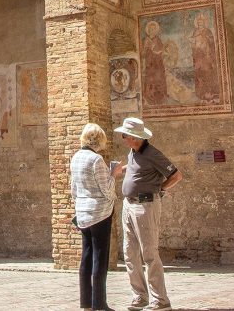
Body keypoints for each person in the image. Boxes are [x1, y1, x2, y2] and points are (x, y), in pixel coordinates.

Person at [115, 117, 182, 311]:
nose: (123, 138)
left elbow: (176, 176)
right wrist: (122, 169)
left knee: (149, 253)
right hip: (129, 206)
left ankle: (161, 300)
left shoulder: (153, 154)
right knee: (130, 253)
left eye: (125, 135)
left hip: (145, 206)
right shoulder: (133, 152)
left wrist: (160, 189)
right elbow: (136, 168)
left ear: (135, 137)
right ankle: (140, 297)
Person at [71, 123, 123, 311]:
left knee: (86, 257)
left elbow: (74, 189)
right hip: (99, 213)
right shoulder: (96, 160)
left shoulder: (75, 158)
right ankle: (99, 304)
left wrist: (79, 207)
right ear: (99, 139)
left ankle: (86, 303)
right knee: (100, 259)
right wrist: (114, 174)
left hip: (83, 213)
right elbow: (107, 190)